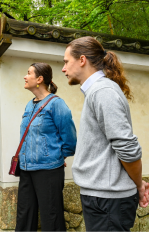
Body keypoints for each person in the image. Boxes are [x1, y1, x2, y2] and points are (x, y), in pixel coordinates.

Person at [62, 36, 149, 231]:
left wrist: (139, 185)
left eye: (66, 62)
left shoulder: (103, 91)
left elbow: (127, 149)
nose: (63, 68)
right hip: (103, 198)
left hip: (108, 201)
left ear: (82, 60)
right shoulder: (97, 91)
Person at [15, 62, 77, 231]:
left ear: (39, 79)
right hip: (26, 168)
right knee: (24, 216)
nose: (25, 76)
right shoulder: (30, 104)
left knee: (51, 217)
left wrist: (57, 156)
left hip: (48, 170)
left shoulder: (57, 104)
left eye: (28, 73)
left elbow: (70, 140)